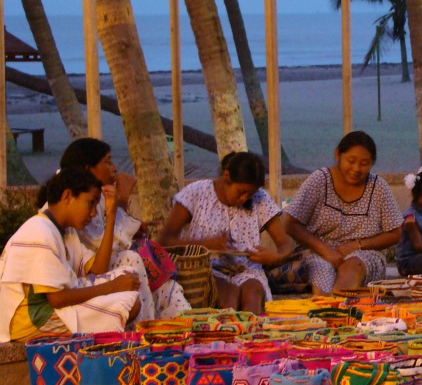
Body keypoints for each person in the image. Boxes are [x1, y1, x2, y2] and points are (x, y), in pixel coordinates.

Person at [50, 138, 190, 321]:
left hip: (94, 273)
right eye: (107, 161)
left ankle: (184, 324)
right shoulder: (76, 200)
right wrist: (120, 202)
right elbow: (109, 249)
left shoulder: (94, 194)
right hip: (86, 281)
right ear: (87, 169)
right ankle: (144, 330)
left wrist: (128, 218)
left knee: (168, 286)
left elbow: (119, 236)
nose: (114, 168)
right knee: (130, 260)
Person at [0, 168, 141, 342]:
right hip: (32, 321)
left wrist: (111, 216)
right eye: (90, 203)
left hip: (47, 311)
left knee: (127, 276)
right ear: (67, 196)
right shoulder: (39, 231)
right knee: (129, 303)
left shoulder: (63, 232)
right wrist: (112, 287)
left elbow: (97, 270)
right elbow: (57, 299)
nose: (93, 213)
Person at [159, 152, 293, 313]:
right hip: (206, 271)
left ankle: (253, 335)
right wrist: (205, 245)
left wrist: (274, 257)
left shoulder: (260, 198)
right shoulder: (196, 193)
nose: (244, 198)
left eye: (250, 194)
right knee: (228, 297)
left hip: (247, 271)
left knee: (253, 293)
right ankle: (226, 334)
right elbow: (164, 240)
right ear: (227, 176)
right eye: (241, 191)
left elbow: (286, 244)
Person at [284, 131, 403, 295]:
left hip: (364, 255)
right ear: (338, 154)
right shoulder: (319, 180)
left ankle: (341, 309)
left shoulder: (378, 187)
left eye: (364, 163)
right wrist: (326, 251)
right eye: (351, 161)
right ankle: (325, 310)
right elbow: (291, 224)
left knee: (353, 266)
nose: (356, 169)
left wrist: (357, 245)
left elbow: (395, 233)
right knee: (322, 272)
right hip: (318, 252)